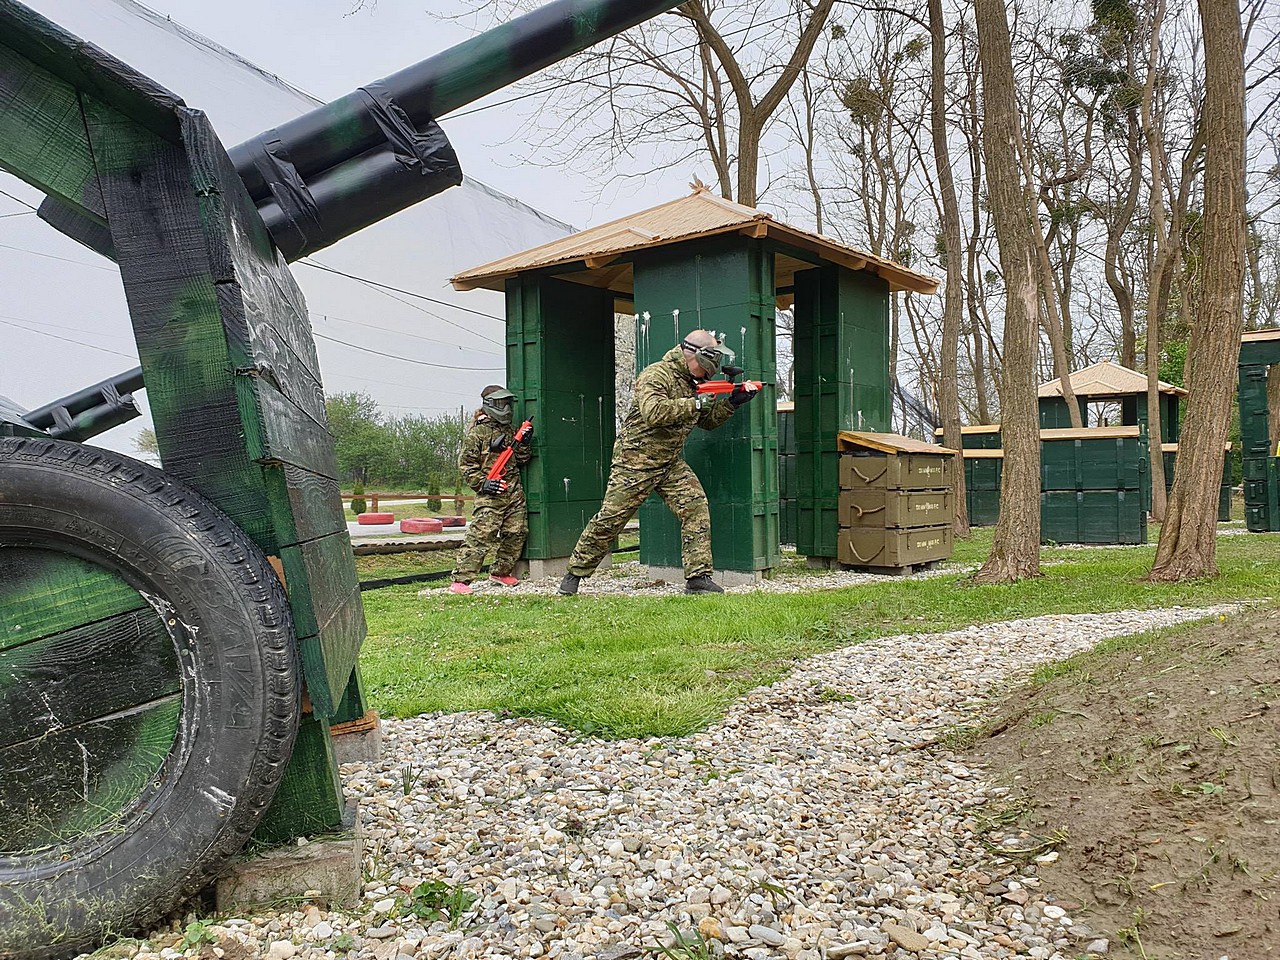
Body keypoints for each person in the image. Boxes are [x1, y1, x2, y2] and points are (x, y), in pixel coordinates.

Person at [558, 329, 758, 596]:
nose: (714, 371)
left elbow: (706, 422)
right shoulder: (657, 374)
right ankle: (573, 576)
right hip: (635, 462)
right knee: (610, 520)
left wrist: (733, 402)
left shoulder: (692, 382)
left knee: (695, 508)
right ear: (695, 356)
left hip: (668, 463)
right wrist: (696, 404)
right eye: (712, 364)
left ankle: (698, 579)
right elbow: (654, 412)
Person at [449, 385, 533, 595]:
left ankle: (500, 572)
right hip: (490, 493)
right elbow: (466, 465)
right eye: (500, 404)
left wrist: (524, 443)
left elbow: (522, 459)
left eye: (508, 404)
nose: (505, 408)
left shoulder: (512, 430)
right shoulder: (477, 433)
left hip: (513, 491)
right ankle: (461, 580)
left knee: (516, 532)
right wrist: (482, 483)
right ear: (489, 405)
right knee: (481, 535)